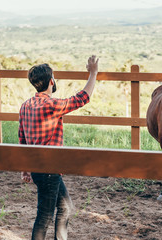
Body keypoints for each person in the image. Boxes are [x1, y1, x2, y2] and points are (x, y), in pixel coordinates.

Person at [19, 55, 99, 240]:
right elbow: (82, 98)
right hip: (49, 169)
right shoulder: (51, 105)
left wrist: (25, 168)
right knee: (45, 216)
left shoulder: (25, 106)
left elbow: (22, 139)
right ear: (51, 81)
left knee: (65, 207)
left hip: (39, 168)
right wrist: (93, 73)